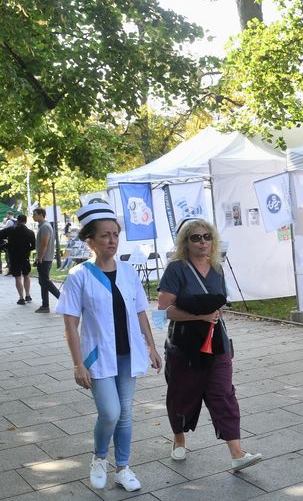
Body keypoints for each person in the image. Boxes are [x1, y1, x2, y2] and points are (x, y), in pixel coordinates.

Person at [56, 203, 162, 492]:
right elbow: (70, 326)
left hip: (129, 354)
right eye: (105, 235)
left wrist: (151, 346)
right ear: (90, 239)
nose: (112, 240)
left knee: (126, 414)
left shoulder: (128, 272)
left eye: (115, 234)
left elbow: (141, 311)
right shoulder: (78, 276)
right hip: (97, 357)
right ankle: (99, 457)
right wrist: (78, 364)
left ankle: (123, 468)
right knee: (111, 413)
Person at [157, 218, 261, 471]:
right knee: (181, 396)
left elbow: (218, 304)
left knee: (224, 395)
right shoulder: (176, 269)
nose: (202, 241)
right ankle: (179, 438)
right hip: (184, 346)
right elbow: (162, 311)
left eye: (207, 237)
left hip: (216, 344)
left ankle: (237, 453)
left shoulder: (217, 268)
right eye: (196, 237)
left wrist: (214, 317)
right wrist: (200, 316)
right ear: (185, 242)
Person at [0, 214, 35, 304]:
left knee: (17, 277)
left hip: (14, 256)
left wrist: (5, 245)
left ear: (17, 221)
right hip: (25, 256)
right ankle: (28, 295)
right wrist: (27, 249)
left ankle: (21, 298)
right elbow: (33, 246)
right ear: (25, 221)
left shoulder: (10, 230)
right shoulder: (30, 232)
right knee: (26, 275)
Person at [32, 207, 61, 313]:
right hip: (43, 258)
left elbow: (44, 244)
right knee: (42, 281)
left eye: (35, 214)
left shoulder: (45, 226)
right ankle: (45, 305)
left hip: (45, 258)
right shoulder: (42, 226)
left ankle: (63, 300)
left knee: (45, 281)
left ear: (41, 214)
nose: (33, 216)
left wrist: (40, 257)